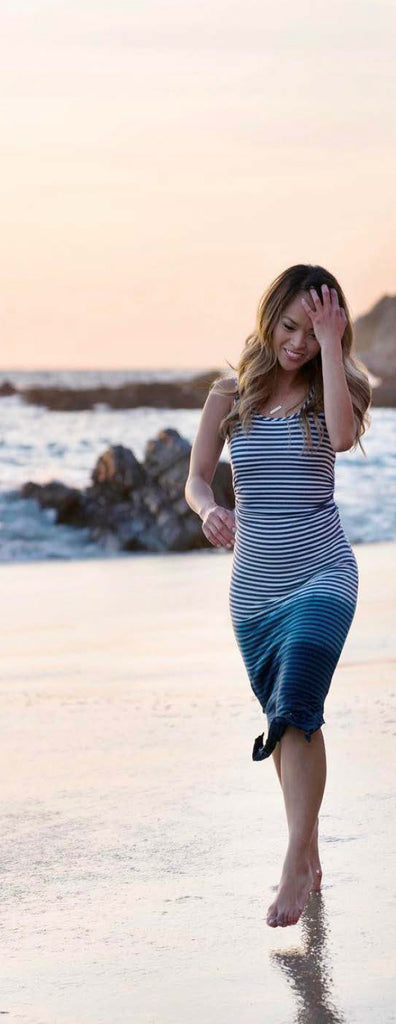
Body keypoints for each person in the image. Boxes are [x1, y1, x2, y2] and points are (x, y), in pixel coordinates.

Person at [184, 265, 372, 928]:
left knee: (298, 702)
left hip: (324, 573)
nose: (297, 341)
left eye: (312, 329)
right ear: (270, 319)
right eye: (290, 326)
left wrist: (330, 342)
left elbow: (344, 439)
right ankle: (311, 852)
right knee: (288, 720)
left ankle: (294, 861)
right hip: (255, 593)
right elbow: (198, 479)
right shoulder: (227, 395)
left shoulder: (337, 389)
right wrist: (208, 511)